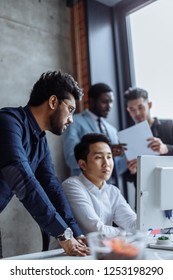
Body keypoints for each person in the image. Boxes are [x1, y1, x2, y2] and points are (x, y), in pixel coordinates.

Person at [0, 70, 89, 257]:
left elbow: (52, 186)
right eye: (70, 109)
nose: (71, 119)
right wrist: (63, 234)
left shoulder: (40, 141)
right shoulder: (7, 122)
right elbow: (22, 180)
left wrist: (75, 233)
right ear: (53, 102)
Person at [62, 133, 136, 237]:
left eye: (109, 157)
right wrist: (129, 233)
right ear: (83, 164)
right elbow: (96, 230)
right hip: (67, 252)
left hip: (100, 250)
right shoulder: (72, 186)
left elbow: (133, 223)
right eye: (98, 157)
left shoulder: (112, 191)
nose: (106, 163)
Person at [63, 83, 127, 187]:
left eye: (111, 102)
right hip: (84, 188)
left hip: (109, 191)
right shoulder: (74, 122)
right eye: (104, 102)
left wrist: (128, 158)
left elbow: (117, 169)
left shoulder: (112, 130)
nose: (109, 106)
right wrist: (104, 152)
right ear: (92, 102)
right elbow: (71, 159)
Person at [124, 87, 173, 191]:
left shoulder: (170, 125)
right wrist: (133, 171)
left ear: (149, 105)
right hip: (144, 195)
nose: (136, 113)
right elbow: (128, 177)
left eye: (140, 107)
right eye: (132, 109)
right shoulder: (128, 137)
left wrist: (166, 148)